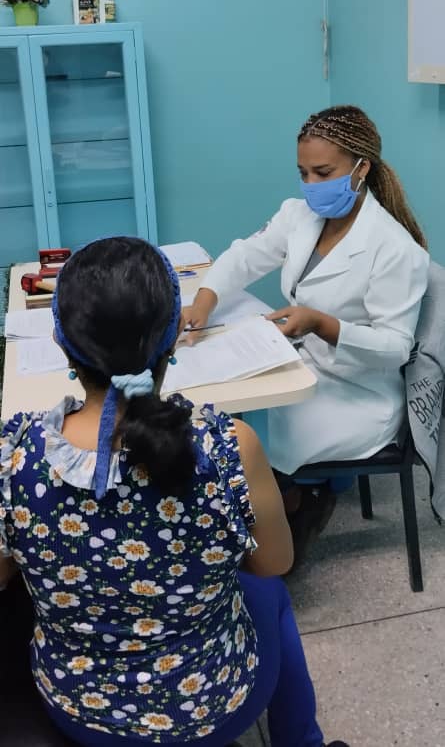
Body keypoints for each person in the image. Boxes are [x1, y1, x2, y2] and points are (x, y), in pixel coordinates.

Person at [0, 237, 348, 747]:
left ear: (61, 342)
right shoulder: (230, 446)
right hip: (216, 707)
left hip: (81, 712)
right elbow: (273, 562)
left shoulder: (15, 457)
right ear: (171, 338)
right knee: (268, 591)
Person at [184, 105, 429, 537]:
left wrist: (321, 323)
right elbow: (245, 256)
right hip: (305, 366)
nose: (311, 185)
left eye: (323, 172)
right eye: (303, 173)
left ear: (361, 168)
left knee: (249, 440)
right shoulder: (300, 216)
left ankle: (289, 508)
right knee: (231, 413)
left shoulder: (393, 248)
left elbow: (394, 348)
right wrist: (205, 300)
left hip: (357, 395)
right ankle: (283, 500)